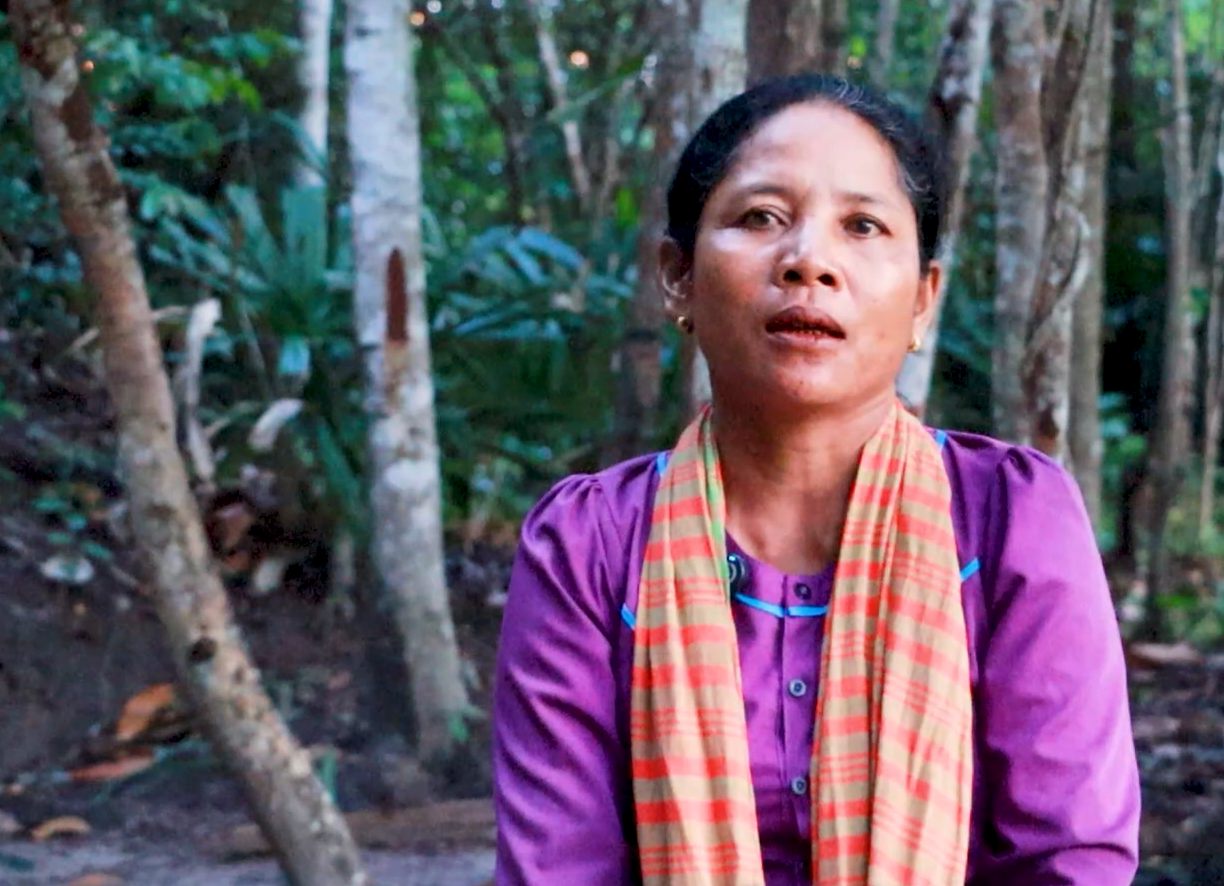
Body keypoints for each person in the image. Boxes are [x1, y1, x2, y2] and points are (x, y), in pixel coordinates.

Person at [491, 73, 1140, 886]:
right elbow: (558, 868)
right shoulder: (589, 548)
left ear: (923, 300)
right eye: (761, 217)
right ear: (678, 275)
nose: (810, 262)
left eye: (863, 226)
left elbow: (1070, 861)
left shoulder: (1011, 523)